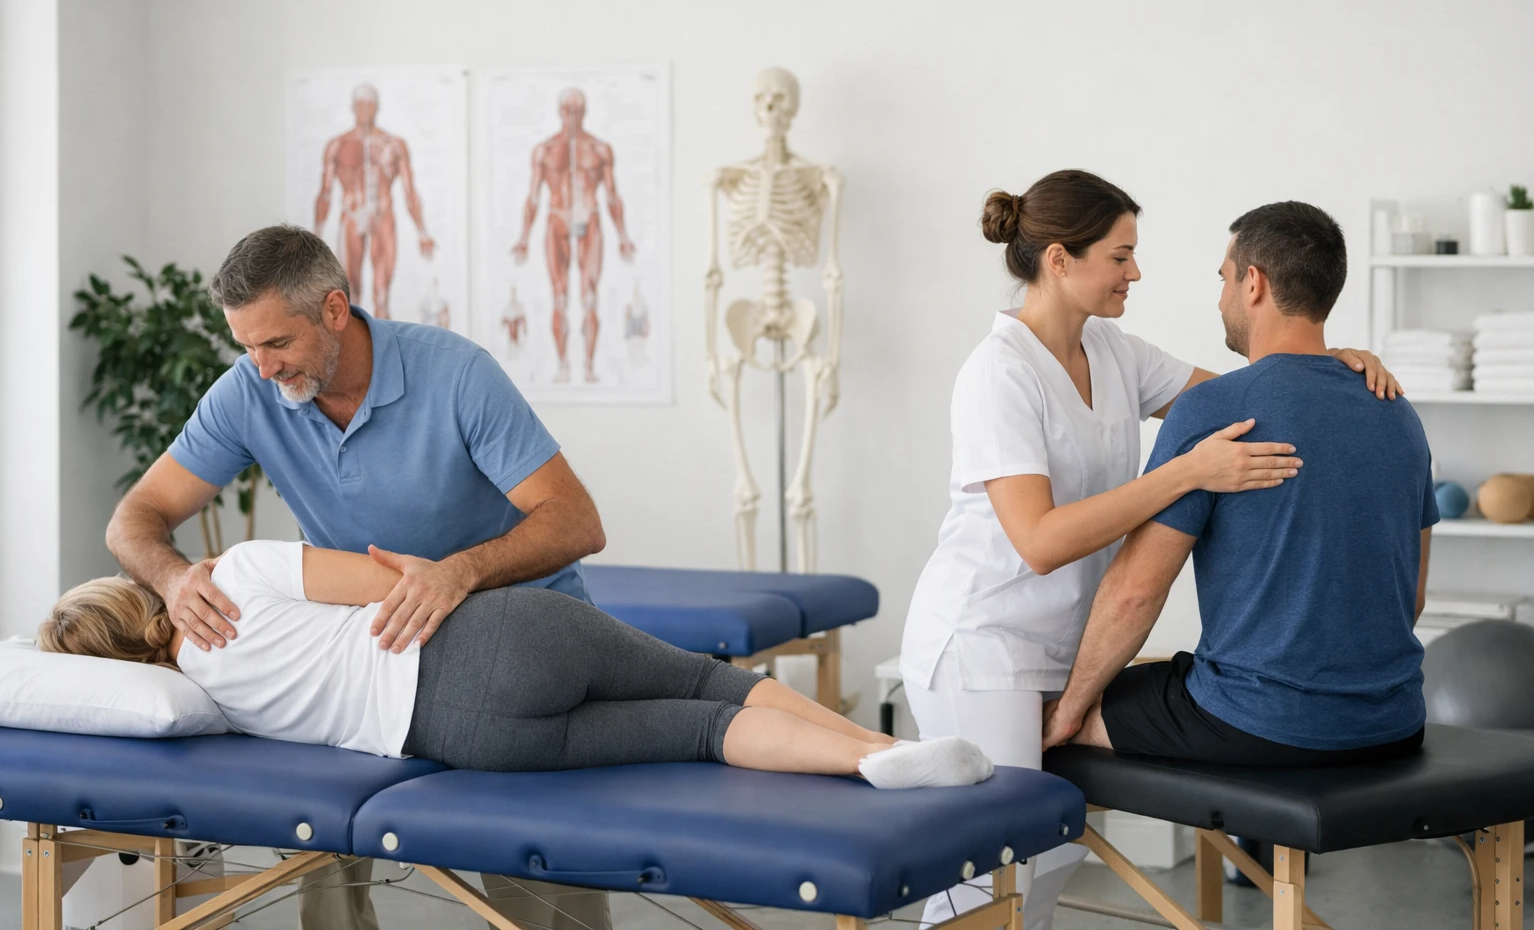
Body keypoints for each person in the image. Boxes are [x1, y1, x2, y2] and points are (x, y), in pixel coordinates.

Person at [898, 171, 1401, 930]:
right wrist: (1185, 472)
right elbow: (1038, 541)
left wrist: (1332, 361)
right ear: (1060, 259)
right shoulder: (996, 375)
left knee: (1055, 852)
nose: (1136, 272)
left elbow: (1250, 395)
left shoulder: (1112, 349)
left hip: (1065, 646)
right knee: (993, 868)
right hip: (983, 643)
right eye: (1120, 256)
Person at [104, 225, 598, 930]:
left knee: (541, 903)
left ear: (335, 310)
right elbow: (134, 518)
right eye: (246, 346)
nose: (262, 368)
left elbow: (577, 521)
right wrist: (175, 580)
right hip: (375, 665)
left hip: (516, 648)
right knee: (324, 885)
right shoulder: (249, 391)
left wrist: (459, 573)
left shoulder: (456, 374)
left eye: (277, 343)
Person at [40, 540, 992, 790]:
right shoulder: (238, 571)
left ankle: (862, 769)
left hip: (465, 739)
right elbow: (394, 580)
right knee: (708, 681)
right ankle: (877, 745)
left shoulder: (195, 697)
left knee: (702, 734)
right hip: (495, 638)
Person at [1042, 201, 1433, 767]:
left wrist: (1070, 710)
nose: (1220, 297)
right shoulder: (1395, 410)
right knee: (1178, 672)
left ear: (1254, 283)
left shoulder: (1216, 411)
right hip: (1394, 723)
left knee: (1062, 708)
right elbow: (1412, 598)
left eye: (1224, 279)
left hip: (1259, 725)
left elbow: (1135, 593)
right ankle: (1242, 855)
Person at [511, 87, 637, 384]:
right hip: (556, 221)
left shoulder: (599, 149)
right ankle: (563, 364)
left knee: (589, 296)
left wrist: (623, 235)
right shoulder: (544, 150)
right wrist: (524, 237)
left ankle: (589, 366)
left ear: (585, 111)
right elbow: (532, 197)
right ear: (559, 111)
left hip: (590, 220)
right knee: (559, 296)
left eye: (577, 109)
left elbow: (612, 196)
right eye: (567, 109)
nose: (572, 115)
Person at [314, 83, 436, 320]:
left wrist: (422, 232)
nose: (366, 109)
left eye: (370, 104)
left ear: (377, 107)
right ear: (353, 107)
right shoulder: (338, 145)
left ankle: (383, 351)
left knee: (382, 294)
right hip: (352, 215)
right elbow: (325, 193)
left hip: (383, 216)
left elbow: (410, 192)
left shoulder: (394, 145)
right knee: (349, 292)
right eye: (361, 104)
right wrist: (315, 236)